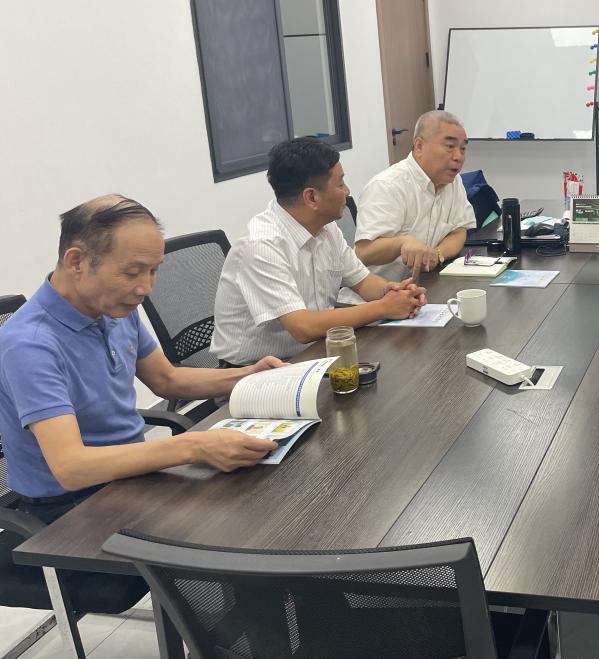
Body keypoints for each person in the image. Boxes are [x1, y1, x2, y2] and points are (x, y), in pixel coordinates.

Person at [0, 195, 287, 524]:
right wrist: (195, 446)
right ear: (76, 261)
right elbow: (71, 468)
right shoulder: (30, 343)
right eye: (133, 272)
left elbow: (167, 379)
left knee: (260, 504)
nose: (145, 288)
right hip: (71, 507)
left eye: (153, 271)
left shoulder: (112, 308)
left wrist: (251, 375)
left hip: (133, 476)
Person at [211, 137, 427, 366]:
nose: (347, 191)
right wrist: (383, 307)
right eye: (340, 184)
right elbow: (303, 327)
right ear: (311, 197)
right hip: (254, 371)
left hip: (314, 353)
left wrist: (394, 292)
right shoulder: (261, 246)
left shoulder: (326, 228)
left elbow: (363, 282)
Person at [352, 110, 475, 283]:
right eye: (450, 146)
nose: (458, 157)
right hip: (377, 294)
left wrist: (437, 255)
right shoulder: (387, 186)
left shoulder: (453, 182)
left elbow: (459, 230)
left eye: (463, 149)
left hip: (423, 286)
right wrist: (402, 243)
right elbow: (364, 252)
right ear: (419, 146)